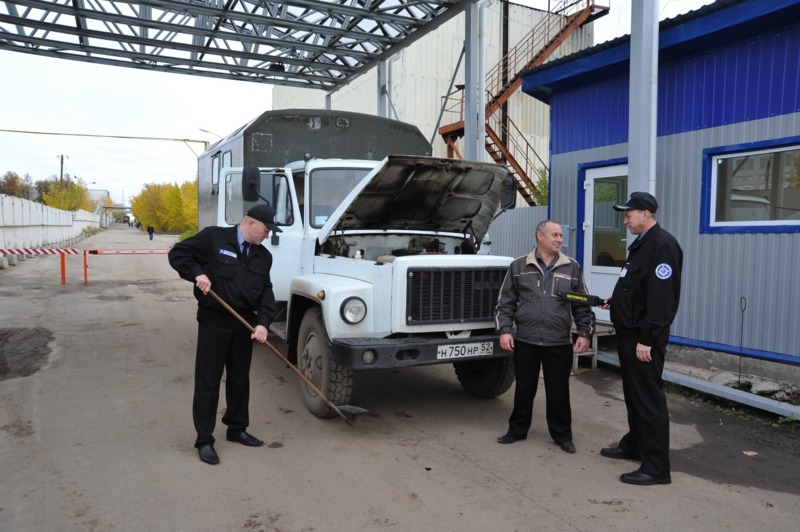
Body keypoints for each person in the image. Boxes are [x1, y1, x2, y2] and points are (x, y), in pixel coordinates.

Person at [168, 204, 282, 465]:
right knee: (208, 380)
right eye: (266, 229)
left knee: (240, 379)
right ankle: (205, 439)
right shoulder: (214, 237)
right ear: (251, 223)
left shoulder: (264, 257)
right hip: (214, 321)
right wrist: (198, 274)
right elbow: (178, 254)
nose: (268, 235)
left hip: (244, 324)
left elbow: (266, 291)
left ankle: (237, 428)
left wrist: (264, 323)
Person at [600, 191, 683, 486]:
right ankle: (635, 444)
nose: (625, 220)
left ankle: (657, 467)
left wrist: (647, 339)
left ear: (645, 214)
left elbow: (662, 301)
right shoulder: (643, 244)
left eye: (628, 214)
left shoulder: (662, 246)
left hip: (642, 339)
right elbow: (637, 286)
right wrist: (617, 299)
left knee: (649, 400)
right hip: (628, 333)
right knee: (634, 396)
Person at [495, 220, 595, 453]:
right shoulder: (520, 266)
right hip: (526, 340)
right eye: (555, 235)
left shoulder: (571, 267)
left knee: (559, 391)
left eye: (561, 236)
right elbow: (505, 302)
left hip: (558, 341)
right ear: (540, 236)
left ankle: (563, 435)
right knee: (524, 388)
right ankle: (517, 430)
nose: (560, 239)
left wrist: (584, 333)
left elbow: (582, 304)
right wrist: (505, 330)